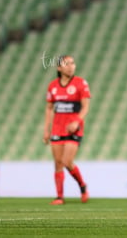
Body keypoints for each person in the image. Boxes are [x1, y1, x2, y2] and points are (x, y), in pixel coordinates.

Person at [43, 55, 90, 205]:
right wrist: (46, 130)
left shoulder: (80, 83)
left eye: (72, 63)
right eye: (67, 64)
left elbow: (85, 106)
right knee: (58, 162)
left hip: (73, 129)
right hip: (57, 128)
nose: (71, 66)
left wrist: (77, 121)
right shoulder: (53, 86)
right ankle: (59, 196)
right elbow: (49, 109)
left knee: (67, 161)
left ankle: (82, 186)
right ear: (59, 68)